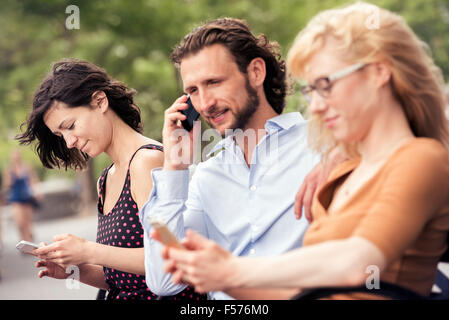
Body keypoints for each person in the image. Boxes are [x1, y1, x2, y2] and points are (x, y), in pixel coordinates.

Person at [161, 3, 449, 299]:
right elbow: (300, 292)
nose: (317, 106)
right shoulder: (341, 173)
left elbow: (358, 262)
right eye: (311, 91)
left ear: (378, 72)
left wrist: (232, 270)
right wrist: (219, 279)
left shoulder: (422, 158)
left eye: (326, 84)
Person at [139, 17, 320, 300]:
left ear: (256, 72)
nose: (205, 103)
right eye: (193, 91)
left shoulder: (321, 146)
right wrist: (174, 168)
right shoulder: (204, 177)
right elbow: (164, 279)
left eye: (214, 82)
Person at [17, 59, 205, 300]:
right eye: (60, 134)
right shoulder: (106, 178)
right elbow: (122, 281)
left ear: (100, 101)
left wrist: (87, 250)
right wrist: (77, 270)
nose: (69, 141)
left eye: (71, 126)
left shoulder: (148, 162)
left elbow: (167, 259)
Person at [2, 148, 41, 243]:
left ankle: (29, 240)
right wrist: (10, 179)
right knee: (20, 222)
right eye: (14, 156)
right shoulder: (8, 170)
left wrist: (37, 192)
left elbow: (33, 181)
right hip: (16, 198)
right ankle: (23, 239)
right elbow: (6, 185)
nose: (16, 157)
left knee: (28, 221)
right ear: (12, 158)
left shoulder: (27, 167)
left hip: (27, 197)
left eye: (17, 155)